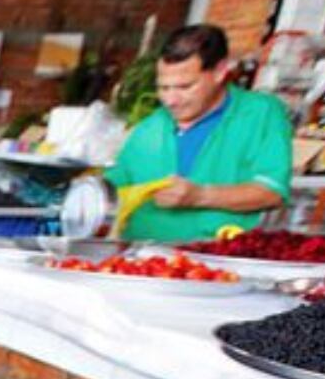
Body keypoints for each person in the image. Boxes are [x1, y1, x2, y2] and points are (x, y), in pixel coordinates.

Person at [103, 24, 292, 241]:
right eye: (163, 88)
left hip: (213, 261)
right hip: (138, 261)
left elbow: (272, 192)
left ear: (220, 71)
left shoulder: (259, 113)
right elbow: (114, 188)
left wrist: (201, 196)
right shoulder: (150, 127)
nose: (171, 100)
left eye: (185, 87)